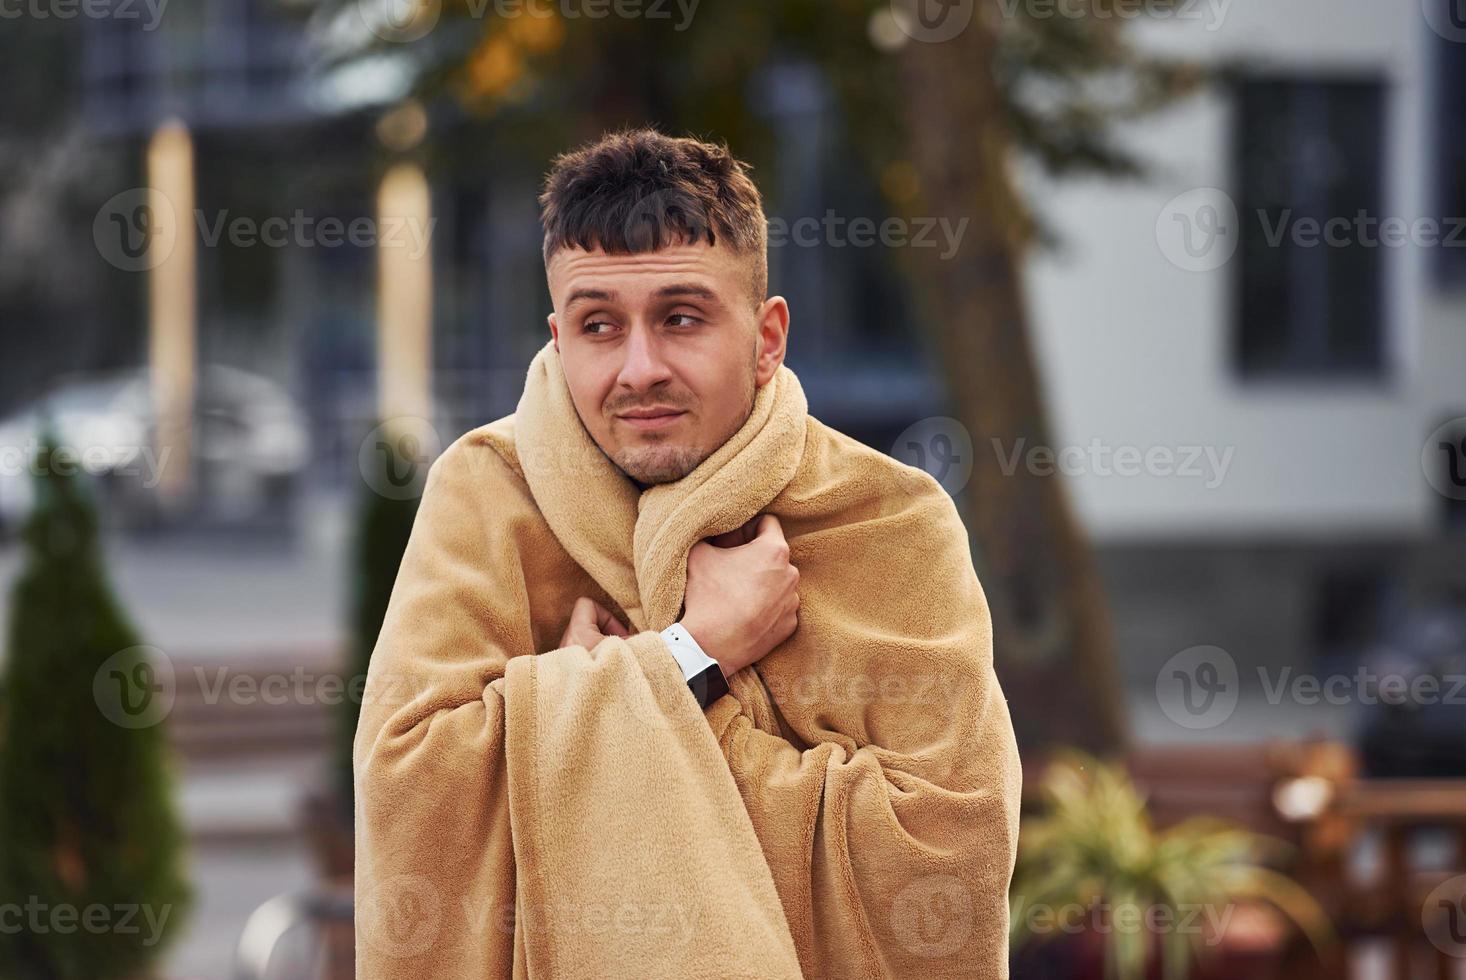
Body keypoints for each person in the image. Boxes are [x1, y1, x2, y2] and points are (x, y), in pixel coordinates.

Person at [354, 127, 1021, 979]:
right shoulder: (489, 494)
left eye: (681, 318)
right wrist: (691, 652)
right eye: (599, 325)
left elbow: (947, 854)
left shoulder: (889, 521)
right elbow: (410, 787)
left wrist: (634, 702)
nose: (639, 368)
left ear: (767, 335)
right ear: (558, 337)